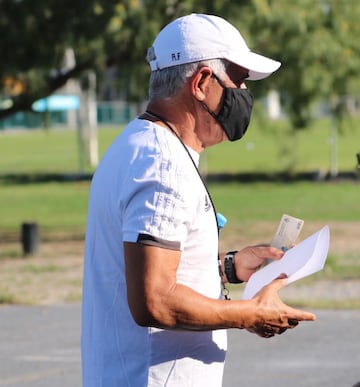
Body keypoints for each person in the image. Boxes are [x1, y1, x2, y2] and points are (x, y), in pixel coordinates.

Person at [81, 13, 316, 387]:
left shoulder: (137, 144)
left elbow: (147, 270)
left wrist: (227, 268)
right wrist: (250, 314)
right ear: (203, 82)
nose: (244, 95)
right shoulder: (162, 164)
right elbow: (154, 299)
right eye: (238, 81)